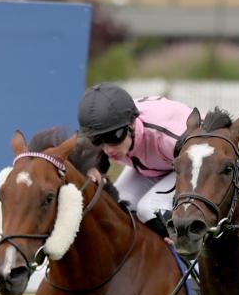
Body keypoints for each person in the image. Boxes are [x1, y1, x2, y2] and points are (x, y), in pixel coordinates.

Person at [76, 82, 193, 240]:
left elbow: (204, 165)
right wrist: (94, 169)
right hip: (156, 166)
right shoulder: (112, 126)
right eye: (97, 140)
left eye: (113, 137)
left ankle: (191, 252)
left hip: (190, 164)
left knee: (149, 208)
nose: (108, 150)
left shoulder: (166, 135)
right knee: (118, 207)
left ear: (131, 125)